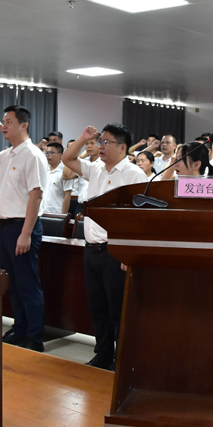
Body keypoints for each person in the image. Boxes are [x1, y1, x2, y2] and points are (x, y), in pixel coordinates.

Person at [62, 124, 148, 370]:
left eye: (106, 142)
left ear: (122, 147)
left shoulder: (133, 174)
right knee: (97, 307)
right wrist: (83, 137)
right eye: (100, 142)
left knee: (118, 311)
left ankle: (124, 361)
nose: (101, 146)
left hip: (115, 252)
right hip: (92, 249)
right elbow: (68, 158)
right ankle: (103, 355)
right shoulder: (95, 168)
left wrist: (128, 250)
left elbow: (140, 218)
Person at [0, 105, 48, 352]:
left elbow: (36, 196)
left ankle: (34, 337)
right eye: (3, 121)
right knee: (14, 284)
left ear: (24, 125)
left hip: (23, 225)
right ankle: (19, 330)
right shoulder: (8, 153)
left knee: (28, 284)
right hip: (5, 226)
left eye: (9, 122)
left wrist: (26, 233)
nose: (5, 125)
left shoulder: (32, 155)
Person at [41, 142, 72, 214]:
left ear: (60, 155)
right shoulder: (44, 170)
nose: (48, 155)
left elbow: (67, 195)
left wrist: (64, 215)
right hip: (42, 212)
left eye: (51, 153)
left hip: (56, 213)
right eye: (46, 153)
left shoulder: (65, 172)